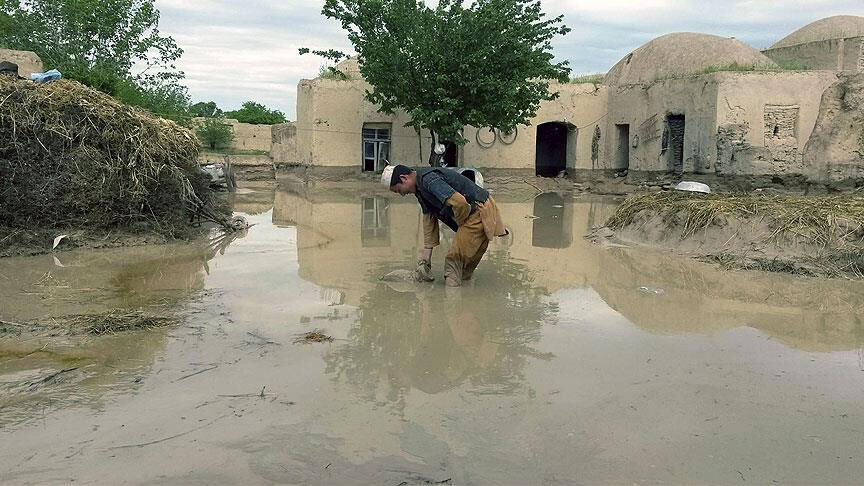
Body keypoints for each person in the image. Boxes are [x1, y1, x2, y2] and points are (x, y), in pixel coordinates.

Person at [381, 164, 508, 287]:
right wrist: (425, 261)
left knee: (453, 265)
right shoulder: (420, 192)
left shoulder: (428, 180)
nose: (402, 194)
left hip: (479, 211)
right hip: (480, 209)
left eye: (398, 190)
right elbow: (429, 224)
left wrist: (461, 225)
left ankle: (450, 305)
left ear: (404, 178)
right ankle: (468, 302)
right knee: (463, 270)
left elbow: (460, 203)